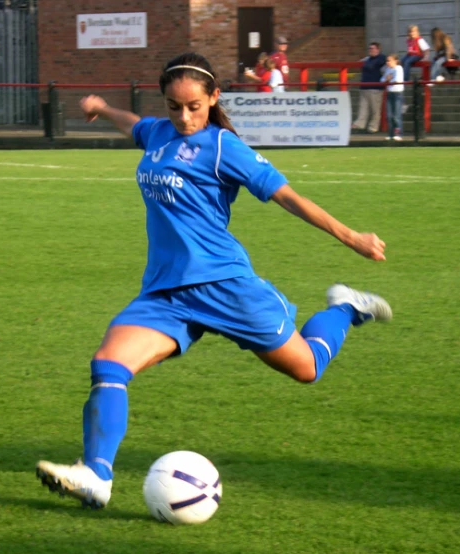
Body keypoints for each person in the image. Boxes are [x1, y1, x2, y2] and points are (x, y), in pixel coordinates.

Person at [36, 52, 392, 509]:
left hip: (224, 285)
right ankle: (96, 476)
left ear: (213, 98)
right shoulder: (158, 133)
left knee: (306, 369)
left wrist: (351, 237)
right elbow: (135, 124)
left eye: (193, 107)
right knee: (108, 364)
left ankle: (344, 306)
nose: (183, 117)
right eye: (173, 106)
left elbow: (289, 197)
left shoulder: (225, 147)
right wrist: (102, 109)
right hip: (166, 293)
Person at [352, 42, 387, 133]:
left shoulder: (382, 58)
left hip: (375, 87)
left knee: (375, 109)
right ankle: (360, 124)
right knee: (363, 107)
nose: (370, 50)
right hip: (364, 86)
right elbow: (358, 63)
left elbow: (387, 64)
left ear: (378, 49)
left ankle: (373, 127)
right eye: (369, 48)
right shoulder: (367, 59)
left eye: (372, 48)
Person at [382, 53, 404, 141]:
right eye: (387, 61)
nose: (388, 63)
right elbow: (382, 79)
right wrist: (388, 79)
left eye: (389, 61)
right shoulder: (388, 69)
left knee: (396, 115)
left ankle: (398, 134)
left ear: (395, 61)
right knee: (389, 115)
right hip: (390, 93)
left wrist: (388, 79)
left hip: (397, 93)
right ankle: (390, 134)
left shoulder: (398, 68)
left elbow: (397, 80)